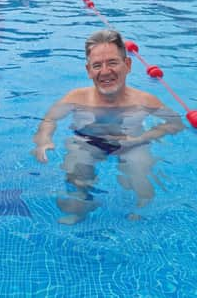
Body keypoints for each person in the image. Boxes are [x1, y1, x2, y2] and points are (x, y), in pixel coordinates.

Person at [32, 29, 184, 224]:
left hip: (132, 143)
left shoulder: (144, 101)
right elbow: (49, 119)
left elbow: (176, 123)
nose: (105, 71)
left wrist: (141, 138)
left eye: (112, 62)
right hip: (87, 141)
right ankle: (81, 208)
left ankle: (141, 214)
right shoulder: (76, 98)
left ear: (127, 65)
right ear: (89, 71)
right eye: (97, 65)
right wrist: (44, 141)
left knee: (140, 175)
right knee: (76, 172)